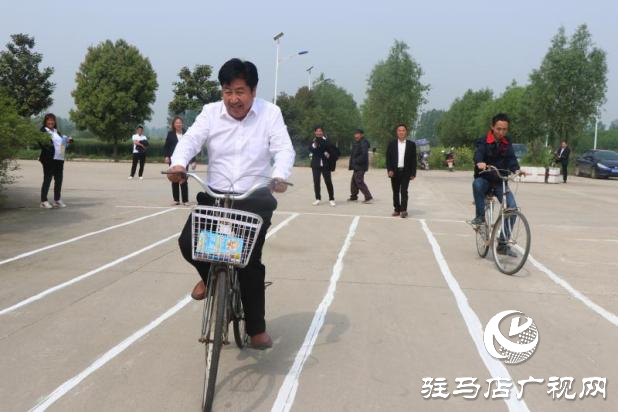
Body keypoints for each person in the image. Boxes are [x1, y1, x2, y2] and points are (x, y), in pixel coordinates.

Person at [167, 58, 295, 349]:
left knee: (248, 261)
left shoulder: (270, 113)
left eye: (240, 91)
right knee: (189, 243)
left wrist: (279, 175)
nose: (233, 99)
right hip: (216, 195)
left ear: (253, 91)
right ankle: (211, 279)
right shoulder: (210, 113)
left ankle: (256, 328)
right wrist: (178, 163)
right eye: (227, 91)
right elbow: (190, 140)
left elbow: (284, 149)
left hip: (254, 198)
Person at [471, 113, 521, 255]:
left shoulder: (507, 142)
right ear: (492, 127)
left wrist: (517, 169)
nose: (501, 132)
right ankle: (480, 217)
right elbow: (478, 154)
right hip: (485, 178)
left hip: (500, 181)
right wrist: (480, 162)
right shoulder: (483, 141)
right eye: (499, 129)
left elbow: (511, 159)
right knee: (477, 185)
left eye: (504, 129)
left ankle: (503, 244)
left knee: (512, 209)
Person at [38, 113, 73, 208]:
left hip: (59, 158)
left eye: (52, 120)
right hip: (49, 159)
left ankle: (57, 200)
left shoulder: (57, 132)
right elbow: (43, 144)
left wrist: (69, 140)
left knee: (59, 180)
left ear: (55, 122)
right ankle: (43, 201)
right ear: (45, 121)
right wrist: (53, 148)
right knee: (47, 179)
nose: (51, 122)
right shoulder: (43, 131)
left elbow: (63, 143)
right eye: (49, 120)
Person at [386, 124, 417, 218]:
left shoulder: (411, 145)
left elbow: (413, 160)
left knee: (404, 191)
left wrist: (413, 173)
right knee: (395, 191)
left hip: (406, 172)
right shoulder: (391, 144)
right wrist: (389, 170)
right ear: (397, 132)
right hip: (394, 171)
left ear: (406, 132)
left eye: (403, 130)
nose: (401, 132)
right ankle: (397, 209)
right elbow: (388, 158)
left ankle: (403, 210)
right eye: (399, 130)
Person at [164, 116, 196, 205]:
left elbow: (191, 147)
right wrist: (166, 156)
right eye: (176, 123)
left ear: (182, 124)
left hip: (184, 160)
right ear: (174, 124)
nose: (178, 124)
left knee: (183, 178)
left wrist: (193, 160)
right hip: (173, 160)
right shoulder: (170, 134)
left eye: (180, 122)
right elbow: (166, 147)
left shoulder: (187, 134)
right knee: (174, 178)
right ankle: (176, 199)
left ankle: (185, 200)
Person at [309, 126, 336, 206]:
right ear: (315, 132)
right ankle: (317, 198)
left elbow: (333, 150)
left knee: (328, 181)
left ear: (322, 132)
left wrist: (328, 154)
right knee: (316, 182)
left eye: (320, 131)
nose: (319, 132)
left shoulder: (327, 141)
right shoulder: (313, 141)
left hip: (325, 164)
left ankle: (331, 199)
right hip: (315, 164)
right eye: (317, 131)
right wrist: (315, 145)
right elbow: (310, 149)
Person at [347, 128, 373, 203]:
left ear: (362, 135)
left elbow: (364, 155)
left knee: (359, 181)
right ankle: (354, 196)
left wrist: (356, 161)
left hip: (361, 166)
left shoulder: (363, 143)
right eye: (355, 134)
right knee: (354, 181)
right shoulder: (357, 142)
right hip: (357, 166)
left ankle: (368, 197)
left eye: (358, 134)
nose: (356, 135)